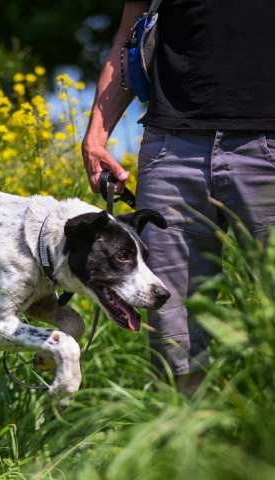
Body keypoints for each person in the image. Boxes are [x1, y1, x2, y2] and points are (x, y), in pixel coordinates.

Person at [82, 0, 275, 393]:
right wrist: (98, 134)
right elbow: (129, 33)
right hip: (172, 149)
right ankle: (189, 448)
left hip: (268, 147)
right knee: (173, 333)